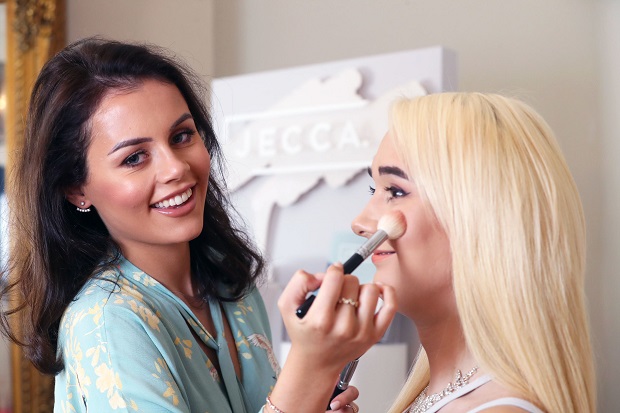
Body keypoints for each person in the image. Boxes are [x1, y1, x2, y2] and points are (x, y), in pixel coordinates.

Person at [0, 37, 396, 413]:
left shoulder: (230, 285)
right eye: (134, 158)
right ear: (75, 188)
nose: (176, 168)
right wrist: (308, 369)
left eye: (182, 135)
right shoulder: (106, 324)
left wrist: (315, 393)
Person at [350, 93, 596, 412]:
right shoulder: (443, 395)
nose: (359, 223)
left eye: (395, 191)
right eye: (374, 189)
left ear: (479, 216)